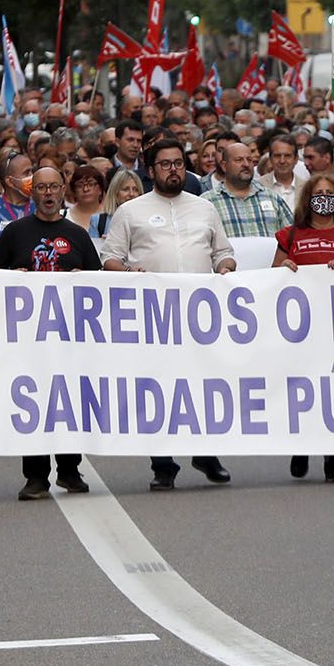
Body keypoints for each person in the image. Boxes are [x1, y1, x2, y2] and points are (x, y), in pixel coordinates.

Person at [100, 141, 237, 491]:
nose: (173, 170)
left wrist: (225, 268)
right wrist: (130, 271)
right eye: (165, 164)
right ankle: (163, 464)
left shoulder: (204, 208)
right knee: (158, 390)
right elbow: (109, 258)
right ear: (151, 170)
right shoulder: (130, 211)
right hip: (152, 317)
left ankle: (205, 453)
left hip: (199, 315)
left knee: (201, 386)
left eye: (178, 163)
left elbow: (223, 252)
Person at [273, 173, 334, 483]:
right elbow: (273, 275)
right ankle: (301, 447)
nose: (323, 197)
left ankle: (333, 460)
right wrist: (285, 269)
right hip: (302, 330)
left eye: (329, 192)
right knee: (304, 390)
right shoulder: (290, 236)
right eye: (318, 193)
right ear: (308, 199)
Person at [208, 139, 293, 238]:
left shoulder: (272, 198)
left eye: (249, 160)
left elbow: (293, 236)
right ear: (224, 166)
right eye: (239, 160)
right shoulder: (209, 203)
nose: (246, 164)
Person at [67, 163, 109, 239]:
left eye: (90, 184)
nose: (86, 189)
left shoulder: (111, 215)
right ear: (74, 190)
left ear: (100, 189)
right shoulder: (63, 216)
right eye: (80, 185)